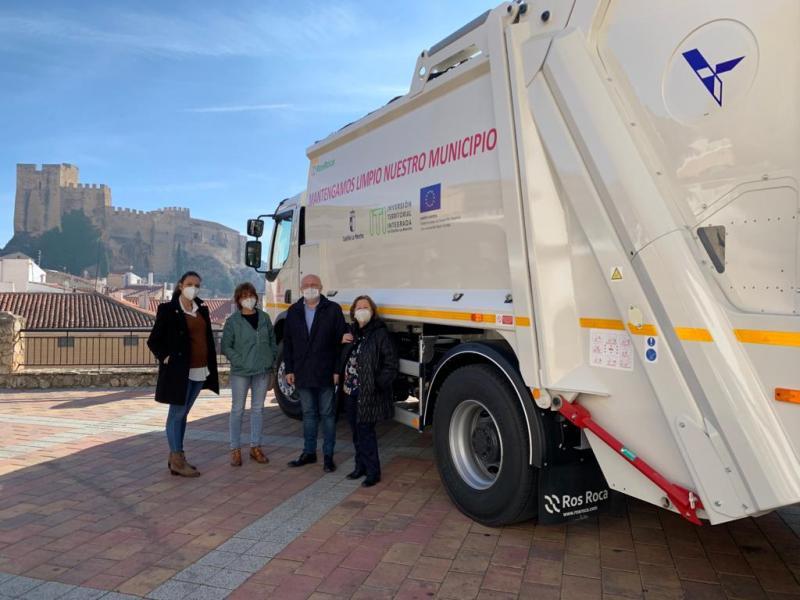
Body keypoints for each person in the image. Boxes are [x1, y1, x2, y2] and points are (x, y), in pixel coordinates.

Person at [147, 271, 220, 477]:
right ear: (180, 285)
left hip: (200, 370)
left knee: (183, 414)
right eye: (190, 284)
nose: (193, 288)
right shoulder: (168, 309)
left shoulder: (202, 310)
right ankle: (177, 458)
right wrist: (167, 358)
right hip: (179, 372)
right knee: (176, 414)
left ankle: (177, 457)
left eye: (197, 285)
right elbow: (154, 340)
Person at [284, 274, 347, 473]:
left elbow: (340, 343)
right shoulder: (293, 311)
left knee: (328, 415)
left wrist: (338, 370)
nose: (310, 288)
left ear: (321, 287)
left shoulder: (333, 310)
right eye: (306, 285)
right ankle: (309, 452)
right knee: (309, 414)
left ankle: (328, 456)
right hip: (302, 372)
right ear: (300, 288)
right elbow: (288, 343)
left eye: (314, 285)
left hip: (326, 371)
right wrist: (289, 369)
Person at [339, 295, 398, 487]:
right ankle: (360, 467)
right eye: (358, 307)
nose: (362, 310)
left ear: (372, 312)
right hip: (350, 391)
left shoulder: (380, 334)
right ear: (353, 312)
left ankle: (373, 471)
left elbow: (391, 365)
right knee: (356, 432)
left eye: (366, 307)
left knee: (366, 432)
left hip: (367, 392)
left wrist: (377, 385)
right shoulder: (351, 333)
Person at [221, 282, 277, 467]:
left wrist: (272, 361)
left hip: (262, 370)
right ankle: (235, 449)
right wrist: (239, 361)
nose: (248, 299)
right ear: (238, 299)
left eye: (251, 295)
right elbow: (225, 346)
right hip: (241, 372)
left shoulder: (265, 318)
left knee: (258, 409)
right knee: (237, 410)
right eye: (244, 296)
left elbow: (272, 341)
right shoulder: (233, 321)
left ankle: (255, 447)